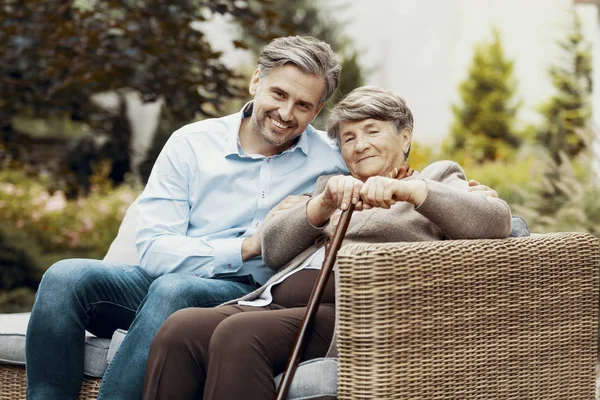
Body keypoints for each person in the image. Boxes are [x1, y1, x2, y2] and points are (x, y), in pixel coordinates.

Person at [25, 35, 349, 400]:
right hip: (162, 281)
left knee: (175, 290)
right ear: (256, 81)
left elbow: (387, 172)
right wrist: (247, 246)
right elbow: (153, 249)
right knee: (64, 277)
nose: (287, 114)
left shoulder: (333, 159)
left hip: (250, 294)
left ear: (318, 109)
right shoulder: (192, 143)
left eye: (303, 105)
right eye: (279, 94)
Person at [142, 85, 515, 400]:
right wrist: (320, 206)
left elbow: (497, 223)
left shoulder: (436, 179)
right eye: (349, 138)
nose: (359, 145)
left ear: (404, 137)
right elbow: (272, 249)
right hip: (277, 304)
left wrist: (411, 190)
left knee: (240, 336)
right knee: (181, 328)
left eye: (372, 131)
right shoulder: (330, 187)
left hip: (356, 312)